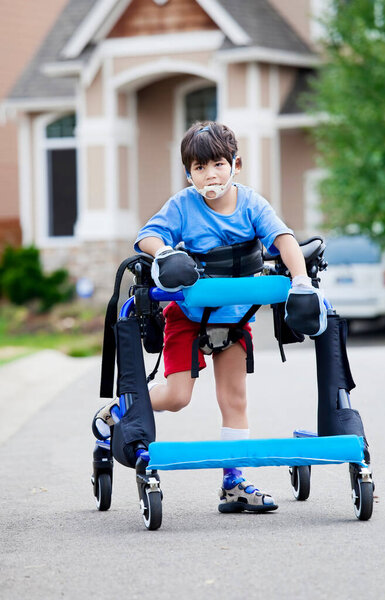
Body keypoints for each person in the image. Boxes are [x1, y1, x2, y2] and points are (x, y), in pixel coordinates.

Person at [94, 121, 325, 514]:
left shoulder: (252, 204)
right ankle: (116, 413)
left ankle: (234, 483)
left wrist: (301, 281)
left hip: (235, 317)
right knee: (178, 396)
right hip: (188, 315)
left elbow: (284, 239)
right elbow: (146, 236)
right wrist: (164, 253)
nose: (210, 175)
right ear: (189, 173)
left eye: (218, 164)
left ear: (236, 165)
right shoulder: (184, 205)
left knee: (234, 398)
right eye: (199, 167)